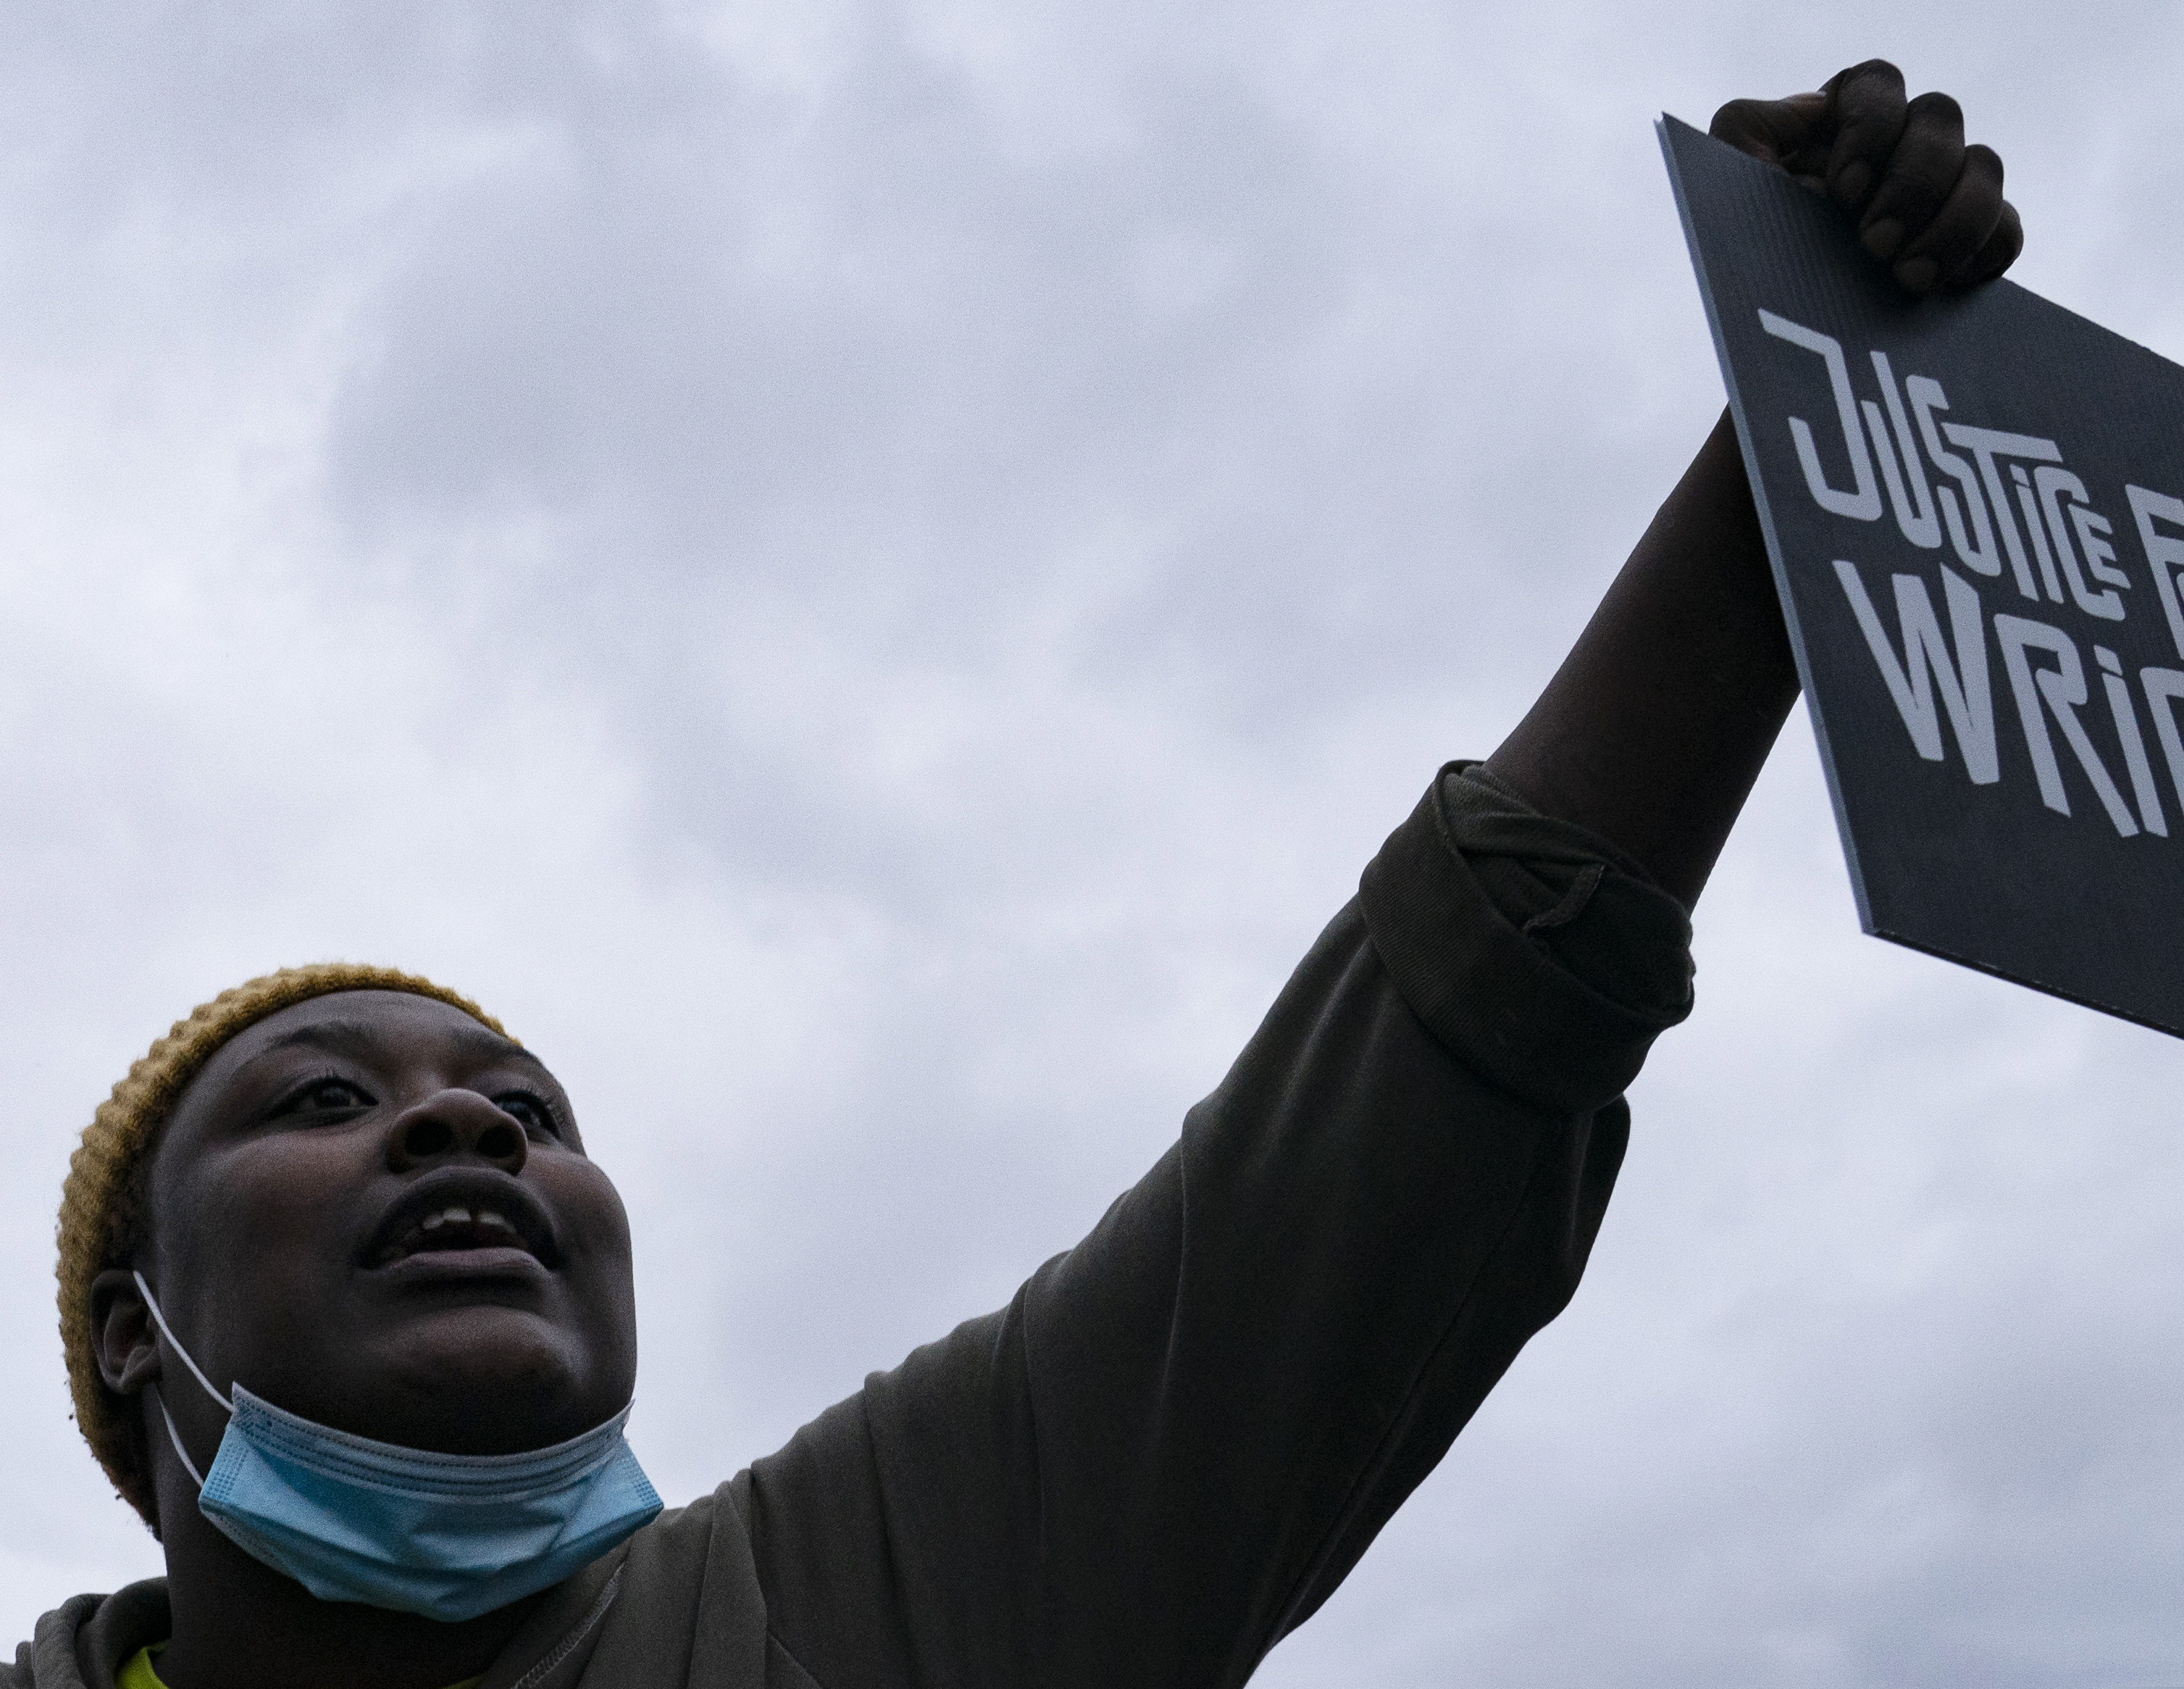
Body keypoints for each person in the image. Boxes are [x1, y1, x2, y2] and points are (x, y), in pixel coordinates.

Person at [12, 60, 2020, 1689]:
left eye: (528, 1114)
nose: (464, 1125)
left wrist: (1796, 433)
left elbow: (1381, 1160)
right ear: (128, 1329)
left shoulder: (857, 1611)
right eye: (325, 1100)